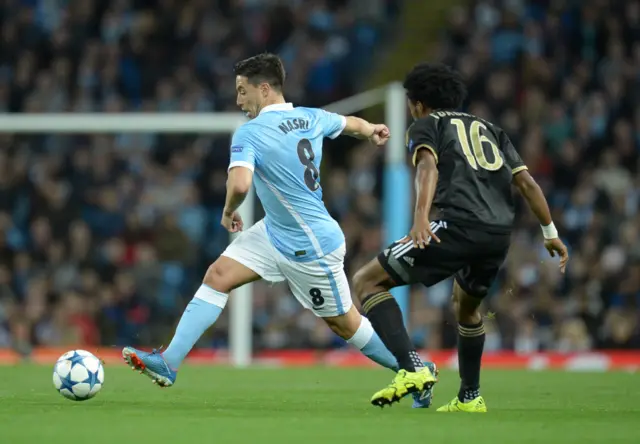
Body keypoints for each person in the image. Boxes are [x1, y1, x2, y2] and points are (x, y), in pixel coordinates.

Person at [121, 53, 438, 407]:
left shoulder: (250, 133)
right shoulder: (309, 117)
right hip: (275, 231)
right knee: (219, 274)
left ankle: (416, 369)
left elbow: (240, 185)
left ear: (265, 89)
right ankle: (169, 362)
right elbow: (347, 123)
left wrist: (228, 212)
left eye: (243, 92)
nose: (239, 101)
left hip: (310, 245)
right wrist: (372, 131)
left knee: (345, 324)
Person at [352, 62, 569, 411]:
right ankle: (470, 397)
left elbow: (427, 166)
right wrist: (550, 232)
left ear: (418, 103)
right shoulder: (492, 129)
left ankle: (412, 368)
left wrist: (420, 217)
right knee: (466, 308)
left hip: (458, 225)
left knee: (366, 281)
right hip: (498, 234)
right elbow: (526, 183)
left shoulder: (427, 125)